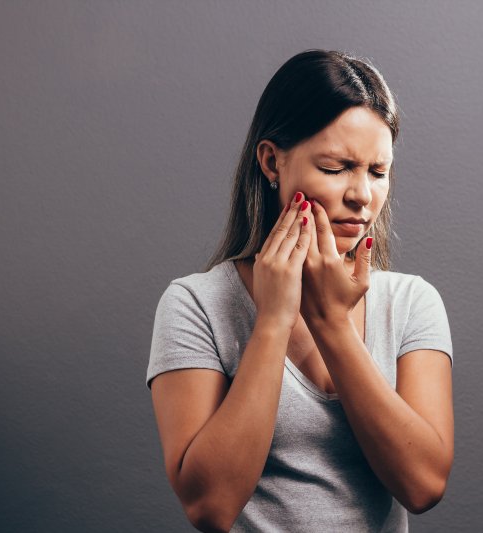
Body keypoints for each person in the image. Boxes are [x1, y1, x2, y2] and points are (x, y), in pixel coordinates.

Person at [146, 49, 454, 532]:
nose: (361, 195)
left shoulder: (412, 303)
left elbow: (423, 485)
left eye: (378, 171)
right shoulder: (196, 305)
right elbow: (210, 506)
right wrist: (271, 322)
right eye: (336, 167)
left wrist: (332, 323)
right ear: (272, 161)